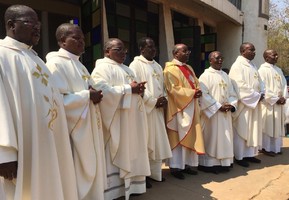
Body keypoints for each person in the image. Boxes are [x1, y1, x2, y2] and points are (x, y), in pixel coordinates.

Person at [0, 5, 78, 200]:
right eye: (30, 23)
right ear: (11, 25)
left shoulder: (36, 58)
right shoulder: (2, 55)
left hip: (47, 142)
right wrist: (5, 154)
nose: (37, 28)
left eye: (38, 24)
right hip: (23, 145)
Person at [46, 23, 106, 200]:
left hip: (88, 128)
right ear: (62, 41)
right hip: (73, 131)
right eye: (76, 38)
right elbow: (57, 102)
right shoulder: (55, 64)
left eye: (82, 38)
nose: (82, 42)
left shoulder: (80, 66)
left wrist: (93, 95)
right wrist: (87, 96)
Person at [91, 38, 150, 200]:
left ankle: (133, 186)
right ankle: (114, 191)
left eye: (124, 50)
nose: (123, 53)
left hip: (133, 119)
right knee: (117, 151)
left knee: (133, 148)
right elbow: (101, 91)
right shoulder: (101, 69)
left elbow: (138, 88)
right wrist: (128, 89)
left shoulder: (128, 69)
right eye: (118, 49)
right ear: (107, 52)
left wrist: (141, 91)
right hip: (117, 121)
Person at [129, 37, 172, 187]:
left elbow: (163, 86)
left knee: (157, 142)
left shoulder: (158, 66)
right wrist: (153, 101)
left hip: (157, 110)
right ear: (141, 49)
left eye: (154, 47)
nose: (153, 49)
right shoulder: (135, 65)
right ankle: (143, 176)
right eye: (150, 47)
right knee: (146, 142)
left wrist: (164, 98)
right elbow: (139, 87)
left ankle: (155, 174)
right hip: (145, 111)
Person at [163, 43, 205, 180]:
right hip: (178, 108)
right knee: (178, 137)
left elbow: (196, 82)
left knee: (190, 136)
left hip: (191, 106)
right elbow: (172, 89)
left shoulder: (189, 67)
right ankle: (175, 167)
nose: (188, 53)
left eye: (188, 51)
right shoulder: (169, 70)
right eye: (184, 51)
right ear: (176, 54)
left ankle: (187, 165)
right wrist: (193, 93)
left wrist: (197, 91)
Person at [198, 51, 238, 174]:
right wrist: (218, 106)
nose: (220, 60)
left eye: (222, 58)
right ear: (210, 61)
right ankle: (209, 164)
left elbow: (232, 93)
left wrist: (231, 104)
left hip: (225, 114)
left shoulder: (226, 76)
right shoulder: (205, 76)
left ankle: (225, 162)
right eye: (217, 58)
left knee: (225, 138)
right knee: (212, 138)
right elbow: (203, 95)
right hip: (213, 115)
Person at [229, 42, 264, 167]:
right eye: (251, 50)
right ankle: (239, 156)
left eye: (254, 50)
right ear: (243, 51)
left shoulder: (253, 65)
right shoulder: (237, 66)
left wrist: (262, 92)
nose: (254, 52)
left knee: (252, 130)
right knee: (241, 130)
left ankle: (249, 154)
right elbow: (239, 85)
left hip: (253, 104)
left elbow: (260, 82)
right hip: (244, 105)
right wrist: (256, 96)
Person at [258, 49, 288, 156]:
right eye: (274, 55)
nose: (277, 56)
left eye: (276, 54)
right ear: (266, 57)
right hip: (269, 105)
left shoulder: (279, 70)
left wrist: (283, 97)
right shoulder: (262, 70)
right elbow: (262, 87)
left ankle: (276, 147)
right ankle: (265, 148)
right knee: (268, 125)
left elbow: (284, 84)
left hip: (279, 104)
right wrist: (275, 98)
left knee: (277, 126)